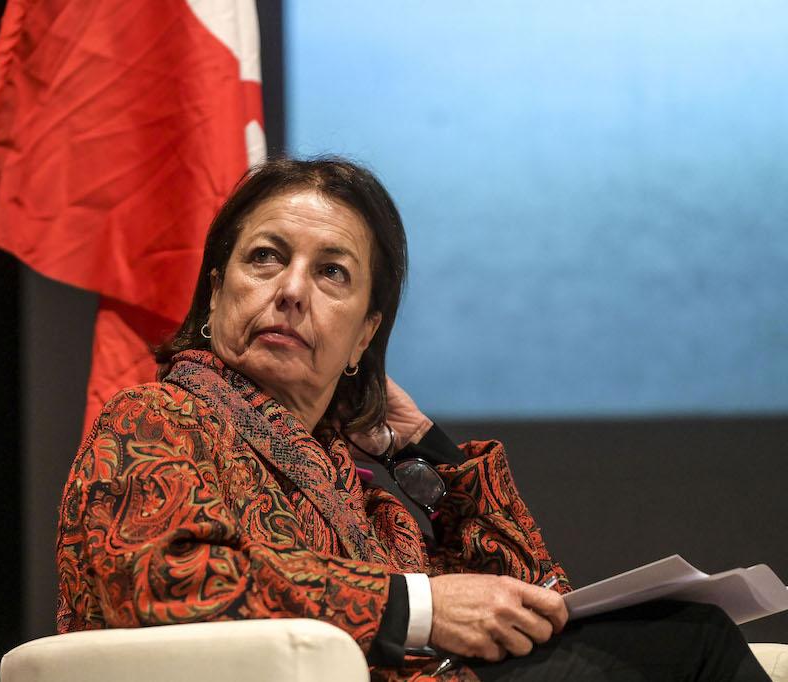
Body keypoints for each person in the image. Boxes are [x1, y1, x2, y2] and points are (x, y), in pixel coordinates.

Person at [56, 158, 767, 680]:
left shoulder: (362, 487)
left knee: (682, 633)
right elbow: (164, 581)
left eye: (332, 272)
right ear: (216, 295)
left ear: (364, 336)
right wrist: (419, 608)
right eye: (266, 258)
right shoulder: (159, 419)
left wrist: (426, 447)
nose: (293, 290)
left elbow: (536, 597)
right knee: (691, 643)